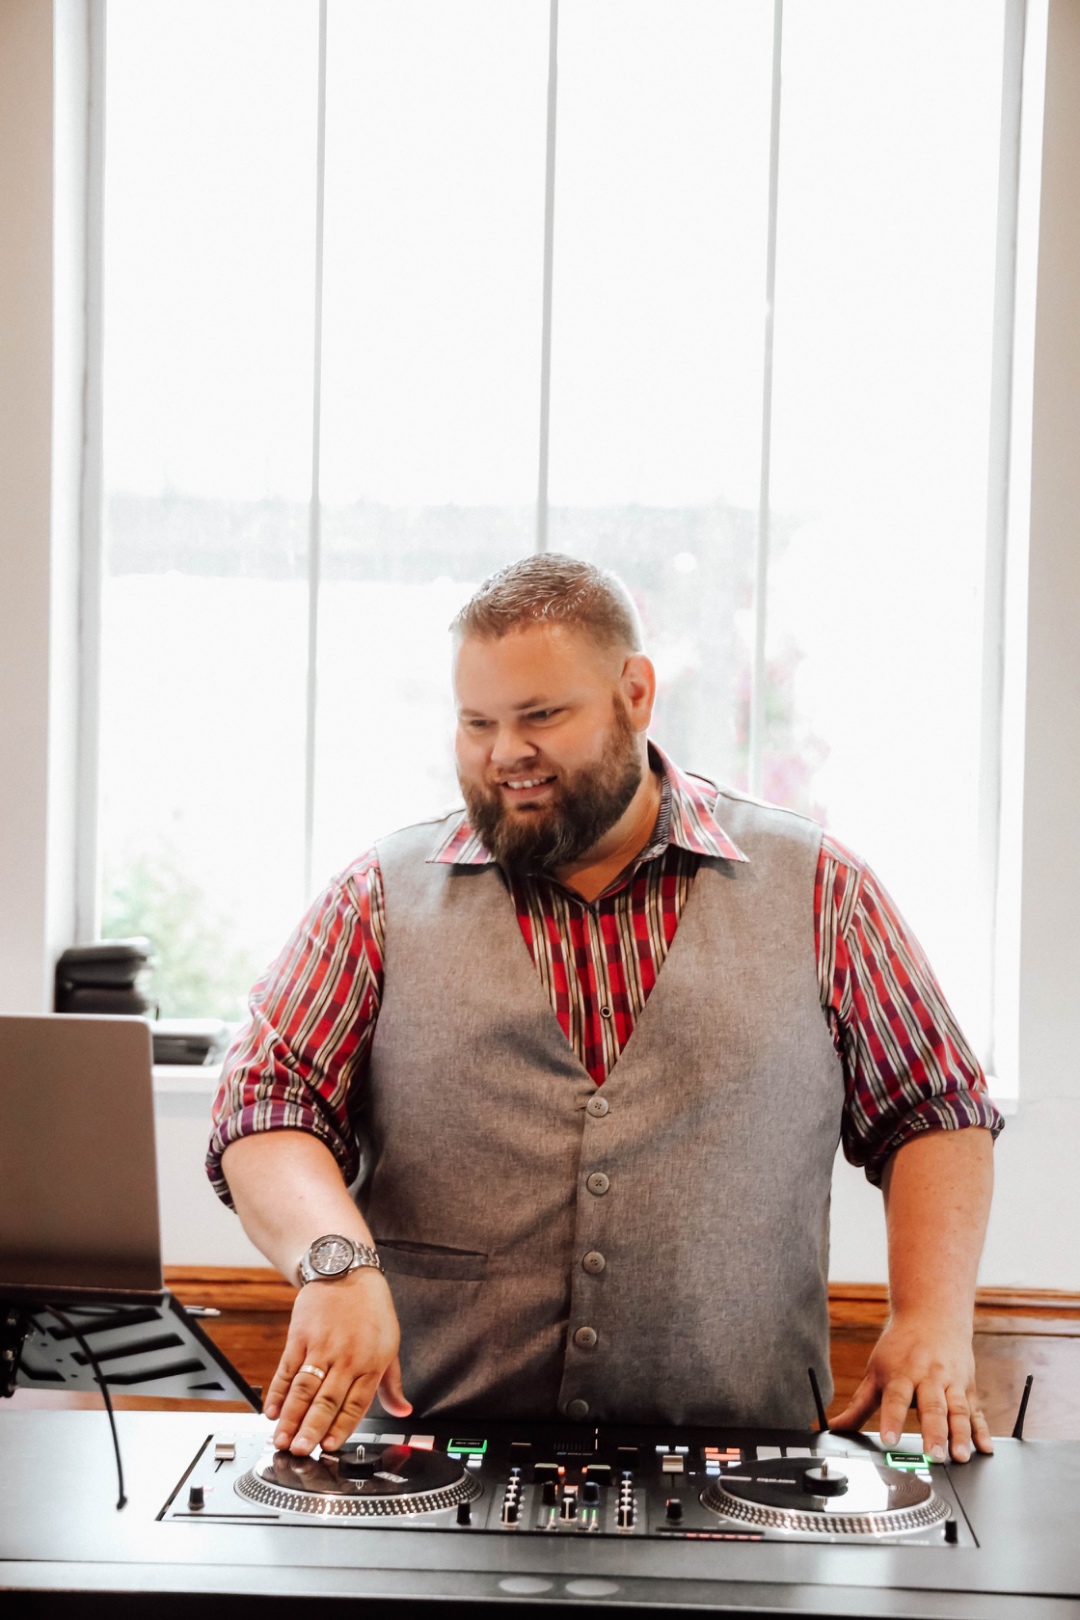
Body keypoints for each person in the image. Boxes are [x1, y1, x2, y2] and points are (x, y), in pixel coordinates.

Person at [209, 554, 1001, 1466]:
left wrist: (933, 1318)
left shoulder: (822, 888)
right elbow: (266, 1102)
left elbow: (934, 1109)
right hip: (426, 1469)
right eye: (478, 723)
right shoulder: (377, 898)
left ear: (635, 692)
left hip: (748, 1472)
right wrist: (332, 1262)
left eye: (542, 716)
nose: (507, 753)